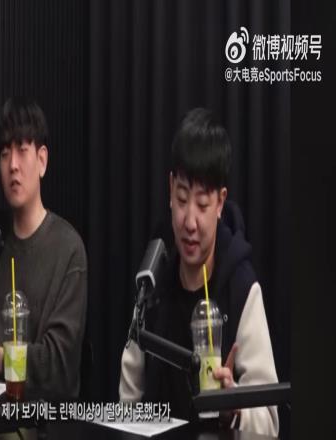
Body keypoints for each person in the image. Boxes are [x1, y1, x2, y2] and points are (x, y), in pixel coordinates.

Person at [119, 108, 279, 436]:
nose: (189, 222)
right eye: (181, 200)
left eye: (203, 205)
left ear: (220, 202)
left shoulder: (242, 288)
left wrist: (235, 409)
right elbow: (128, 401)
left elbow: (270, 424)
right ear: (170, 191)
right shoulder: (153, 284)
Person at [0, 97, 88, 401]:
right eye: (4, 154)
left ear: (42, 160)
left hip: (44, 419)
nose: (12, 165)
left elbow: (57, 366)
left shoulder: (69, 249)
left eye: (22, 151)